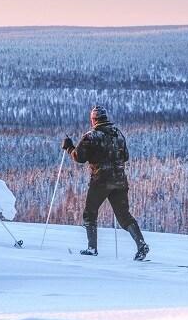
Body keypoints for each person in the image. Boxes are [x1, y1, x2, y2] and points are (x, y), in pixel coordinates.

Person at [62, 106, 150, 260]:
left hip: (100, 181)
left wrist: (69, 147)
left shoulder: (91, 136)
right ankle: (141, 244)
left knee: (90, 213)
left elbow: (79, 157)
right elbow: (126, 156)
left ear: (93, 119)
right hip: (120, 181)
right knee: (124, 216)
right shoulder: (118, 134)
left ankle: (92, 248)